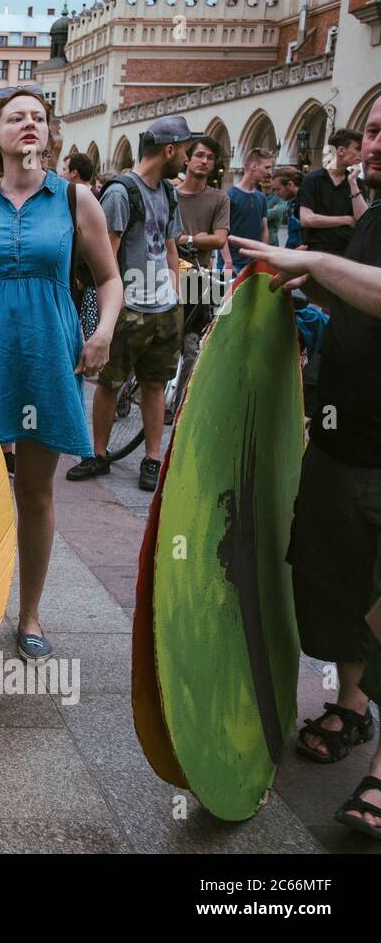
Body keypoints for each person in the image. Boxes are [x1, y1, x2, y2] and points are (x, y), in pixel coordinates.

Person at [0, 87, 122, 661]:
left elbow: (109, 279)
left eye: (38, 117)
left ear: (50, 133)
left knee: (33, 492)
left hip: (46, 351)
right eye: (16, 117)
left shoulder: (75, 199)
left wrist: (103, 331)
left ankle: (30, 613)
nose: (29, 124)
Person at [230, 92, 381, 839]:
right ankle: (352, 706)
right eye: (374, 129)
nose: (375, 142)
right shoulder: (371, 217)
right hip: (340, 434)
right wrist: (311, 302)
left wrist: (315, 258)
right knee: (336, 585)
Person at [67, 114, 190, 493]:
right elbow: (108, 257)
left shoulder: (168, 192)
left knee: (155, 385)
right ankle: (99, 453)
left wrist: (176, 293)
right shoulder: (121, 193)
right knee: (110, 382)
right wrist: (111, 312)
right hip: (130, 308)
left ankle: (152, 458)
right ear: (168, 150)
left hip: (163, 309)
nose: (186, 159)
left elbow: (170, 244)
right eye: (184, 151)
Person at [173, 135, 231, 391]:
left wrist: (185, 238)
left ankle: (177, 407)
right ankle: (129, 393)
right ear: (187, 158)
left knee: (191, 345)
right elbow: (163, 236)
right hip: (164, 273)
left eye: (210, 157)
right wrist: (199, 239)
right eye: (200, 155)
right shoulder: (170, 195)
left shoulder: (219, 198)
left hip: (200, 277)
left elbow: (219, 239)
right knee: (156, 339)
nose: (205, 161)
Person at [298, 128, 367, 257]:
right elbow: (307, 219)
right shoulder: (313, 180)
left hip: (348, 253)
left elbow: (363, 220)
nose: (361, 154)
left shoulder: (357, 183)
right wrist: (346, 220)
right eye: (358, 149)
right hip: (317, 252)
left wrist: (352, 182)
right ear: (341, 150)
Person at [225, 147, 272, 274]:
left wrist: (263, 257)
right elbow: (221, 231)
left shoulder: (261, 197)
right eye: (267, 167)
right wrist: (227, 261)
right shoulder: (230, 195)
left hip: (253, 264)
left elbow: (264, 229)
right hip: (232, 264)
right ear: (254, 166)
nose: (269, 172)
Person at [272, 168, 302, 248]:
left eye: (278, 189)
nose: (276, 193)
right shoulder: (291, 203)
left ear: (290, 185)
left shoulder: (307, 202)